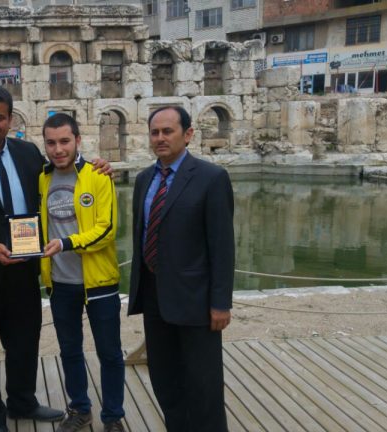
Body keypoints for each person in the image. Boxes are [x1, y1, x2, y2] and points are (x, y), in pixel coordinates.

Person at [0, 86, 111, 432]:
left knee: (24, 344)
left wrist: (95, 166)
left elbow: (62, 170)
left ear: (10, 119)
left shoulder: (27, 153)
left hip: (22, 272)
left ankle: (22, 401)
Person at [127, 106, 235, 432]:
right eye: (155, 132)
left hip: (196, 301)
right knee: (165, 379)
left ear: (187, 134)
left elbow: (222, 246)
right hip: (154, 297)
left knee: (204, 385)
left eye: (167, 131)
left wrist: (220, 303)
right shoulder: (144, 180)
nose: (160, 138)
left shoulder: (211, 178)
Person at [39, 113, 126, 432]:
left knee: (110, 353)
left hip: (99, 281)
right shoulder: (43, 178)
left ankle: (113, 416)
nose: (58, 149)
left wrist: (66, 243)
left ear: (77, 140)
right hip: (60, 282)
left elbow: (108, 230)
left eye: (65, 141)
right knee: (70, 351)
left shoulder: (98, 175)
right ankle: (80, 409)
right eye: (51, 143)